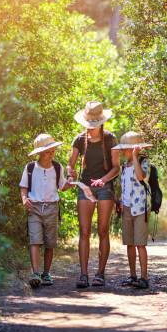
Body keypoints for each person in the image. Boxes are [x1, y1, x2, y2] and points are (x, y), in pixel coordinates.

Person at [67, 101, 119, 288]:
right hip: (85, 187)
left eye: (95, 124)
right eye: (90, 124)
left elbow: (116, 167)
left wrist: (103, 180)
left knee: (103, 230)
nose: (92, 127)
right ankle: (83, 274)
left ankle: (100, 273)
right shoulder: (79, 140)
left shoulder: (110, 139)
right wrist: (69, 173)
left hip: (105, 187)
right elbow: (70, 164)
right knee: (84, 231)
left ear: (101, 122)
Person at [19, 134, 73, 288]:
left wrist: (70, 183)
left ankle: (46, 273)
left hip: (52, 208)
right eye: (48, 151)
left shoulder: (57, 167)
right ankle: (35, 273)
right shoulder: (30, 168)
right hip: (34, 207)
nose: (52, 153)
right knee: (34, 241)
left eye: (53, 150)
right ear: (40, 153)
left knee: (50, 243)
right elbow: (23, 187)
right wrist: (24, 199)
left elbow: (62, 187)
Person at [112, 131, 153, 289]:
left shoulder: (143, 162)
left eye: (126, 149)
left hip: (140, 208)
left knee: (140, 244)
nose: (123, 152)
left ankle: (144, 277)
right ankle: (133, 275)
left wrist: (136, 157)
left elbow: (141, 176)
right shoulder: (123, 166)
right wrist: (121, 202)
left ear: (134, 149)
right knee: (129, 243)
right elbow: (124, 187)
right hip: (127, 208)